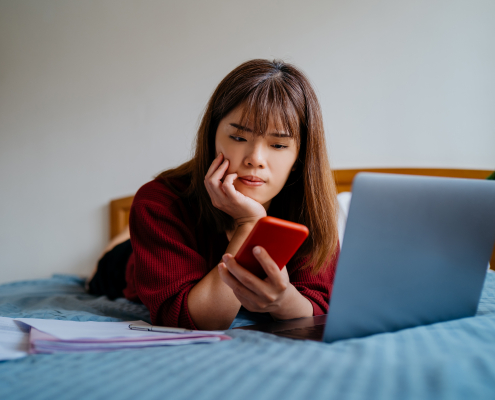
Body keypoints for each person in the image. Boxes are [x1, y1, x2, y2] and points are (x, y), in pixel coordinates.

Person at [87, 59, 340, 330]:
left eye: (278, 144)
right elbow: (194, 320)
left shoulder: (310, 209)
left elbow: (317, 307)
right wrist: (250, 223)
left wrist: (283, 301)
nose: (255, 159)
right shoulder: (159, 202)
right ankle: (121, 240)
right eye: (239, 138)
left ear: (300, 156)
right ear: (212, 136)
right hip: (129, 265)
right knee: (115, 257)